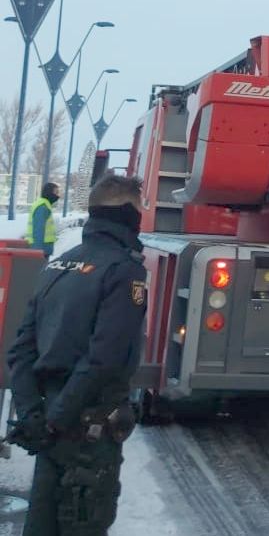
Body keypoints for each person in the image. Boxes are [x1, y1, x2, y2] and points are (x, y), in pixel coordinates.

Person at [6, 173, 149, 536]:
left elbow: (22, 349)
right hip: (88, 434)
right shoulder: (124, 270)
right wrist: (55, 420)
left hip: (49, 428)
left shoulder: (58, 264)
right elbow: (104, 359)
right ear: (129, 215)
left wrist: (33, 415)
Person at [25, 182, 60, 260]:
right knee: (38, 271)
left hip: (44, 248)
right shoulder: (42, 207)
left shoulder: (45, 204)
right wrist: (38, 252)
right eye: (56, 192)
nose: (58, 196)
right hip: (41, 249)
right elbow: (38, 229)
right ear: (49, 192)